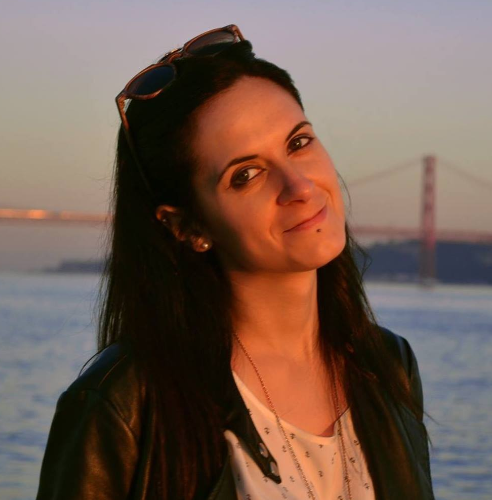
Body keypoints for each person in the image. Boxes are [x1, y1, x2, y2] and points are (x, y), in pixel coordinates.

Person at [36, 25, 434, 500]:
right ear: (187, 226)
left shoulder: (387, 365)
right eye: (246, 175)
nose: (300, 186)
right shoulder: (122, 405)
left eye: (298, 143)